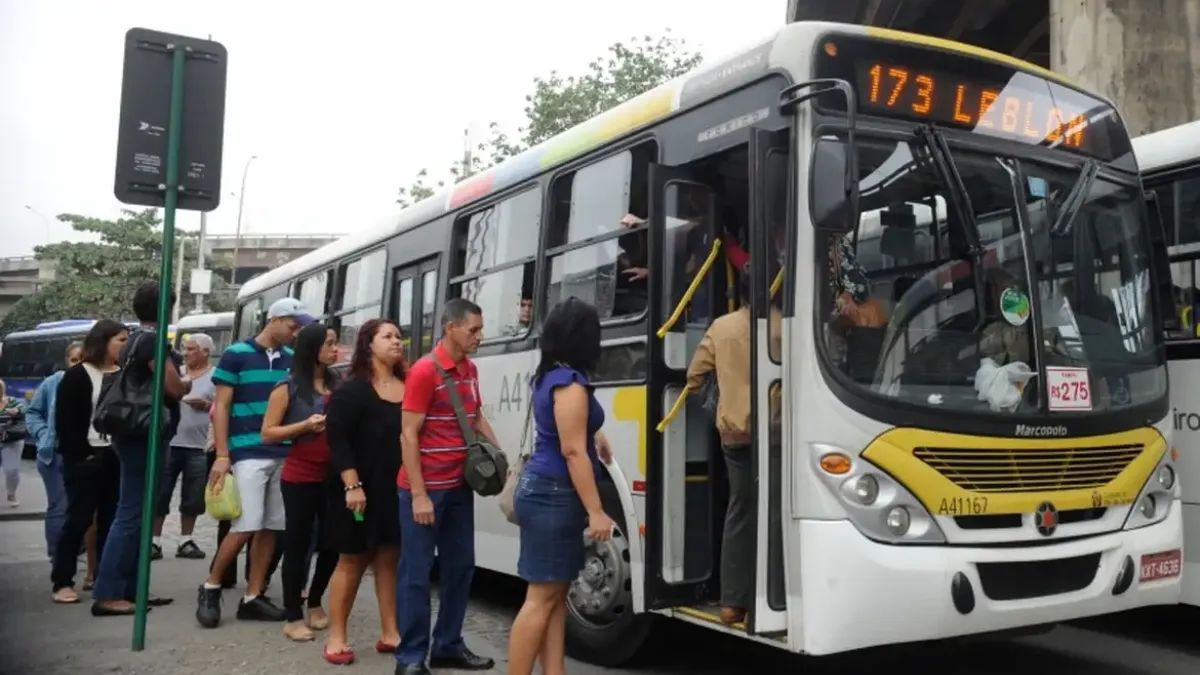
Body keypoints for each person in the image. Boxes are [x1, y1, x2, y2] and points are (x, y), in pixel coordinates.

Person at [507, 298, 615, 675]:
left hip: (546, 491)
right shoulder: (569, 383)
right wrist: (596, 510)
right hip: (554, 494)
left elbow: (570, 430)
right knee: (541, 599)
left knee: (552, 597)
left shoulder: (553, 374)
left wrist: (596, 432)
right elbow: (571, 450)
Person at [396, 298, 498, 675]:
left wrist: (500, 455)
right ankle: (409, 658)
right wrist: (420, 495)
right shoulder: (425, 371)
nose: (478, 336)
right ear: (450, 328)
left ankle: (448, 645)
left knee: (460, 569)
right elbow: (408, 435)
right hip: (423, 491)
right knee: (416, 575)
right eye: (472, 329)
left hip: (458, 488)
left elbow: (474, 417)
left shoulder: (469, 369)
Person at [198, 297, 311, 628]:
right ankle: (211, 586)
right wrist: (222, 455)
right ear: (273, 320)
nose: (296, 332)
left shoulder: (293, 359)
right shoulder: (237, 354)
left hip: (284, 451)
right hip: (247, 450)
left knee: (272, 526)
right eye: (292, 325)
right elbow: (221, 406)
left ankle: (253, 595)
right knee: (247, 523)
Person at [684, 277, 779, 625]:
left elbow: (694, 377)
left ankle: (731, 603)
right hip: (776, 434)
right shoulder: (784, 327)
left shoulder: (721, 328)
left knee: (739, 512)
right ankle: (769, 598)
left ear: (736, 293)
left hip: (734, 435)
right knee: (774, 513)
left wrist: (725, 403)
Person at [92, 284, 187, 616]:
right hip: (144, 432)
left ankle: (131, 589)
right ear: (167, 308)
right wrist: (188, 382)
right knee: (132, 511)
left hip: (132, 431)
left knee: (137, 511)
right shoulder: (152, 340)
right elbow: (172, 387)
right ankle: (109, 593)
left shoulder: (132, 338)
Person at [322, 318, 405, 664]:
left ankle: (390, 632)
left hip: (394, 487)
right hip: (357, 489)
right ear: (368, 344)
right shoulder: (352, 389)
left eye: (399, 336)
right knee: (352, 559)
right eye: (387, 336)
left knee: (389, 558)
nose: (396, 342)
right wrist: (352, 484)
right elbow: (337, 439)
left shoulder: (407, 386)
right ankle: (337, 635)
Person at [260, 323, 340, 643]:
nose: (337, 349)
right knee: (297, 545)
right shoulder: (288, 386)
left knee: (334, 544)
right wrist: (305, 425)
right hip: (300, 477)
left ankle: (316, 600)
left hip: (336, 476)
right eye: (330, 344)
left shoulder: (340, 383)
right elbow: (268, 432)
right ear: (313, 349)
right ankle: (293, 613)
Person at [49, 321, 126, 604]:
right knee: (79, 518)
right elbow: (66, 422)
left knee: (112, 520)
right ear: (103, 341)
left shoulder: (126, 375)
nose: (124, 345)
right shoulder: (78, 375)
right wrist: (82, 454)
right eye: (120, 340)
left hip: (117, 455)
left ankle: (107, 580)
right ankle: (62, 580)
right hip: (85, 455)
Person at [152, 333, 216, 561]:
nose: (186, 353)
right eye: (185, 349)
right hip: (170, 442)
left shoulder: (215, 376)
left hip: (199, 446)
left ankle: (185, 540)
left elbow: (223, 407)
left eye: (191, 349)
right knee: (160, 493)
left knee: (193, 496)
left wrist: (208, 405)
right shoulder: (175, 374)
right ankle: (155, 541)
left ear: (206, 352)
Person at [26, 341, 83, 560]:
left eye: (82, 359)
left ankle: (75, 550)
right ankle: (58, 555)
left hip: (83, 454)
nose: (78, 364)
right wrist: (43, 434)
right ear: (67, 361)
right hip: (55, 453)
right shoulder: (53, 382)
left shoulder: (94, 382)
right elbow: (33, 413)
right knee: (59, 505)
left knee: (79, 507)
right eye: (74, 359)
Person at [0, 380, 28, 507]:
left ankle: (11, 493)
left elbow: (25, 409)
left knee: (12, 470)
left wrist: (17, 411)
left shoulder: (11, 401)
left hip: (12, 439)